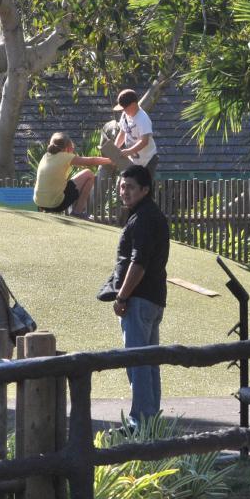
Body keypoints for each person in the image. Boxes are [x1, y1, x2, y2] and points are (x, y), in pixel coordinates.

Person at [108, 164, 170, 427]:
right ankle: (150, 419)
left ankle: (140, 421)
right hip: (154, 298)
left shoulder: (143, 219)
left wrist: (122, 296)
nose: (124, 191)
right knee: (149, 361)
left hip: (140, 298)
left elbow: (139, 263)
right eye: (122, 186)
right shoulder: (150, 215)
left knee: (138, 362)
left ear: (145, 189)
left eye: (130, 187)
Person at [33, 132, 113, 217]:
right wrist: (111, 160)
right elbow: (91, 161)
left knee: (72, 182)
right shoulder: (65, 156)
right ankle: (77, 212)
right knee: (89, 174)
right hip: (56, 205)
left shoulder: (45, 156)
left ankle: (75, 210)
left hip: (39, 203)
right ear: (67, 148)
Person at [113, 88, 159, 174]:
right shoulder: (125, 115)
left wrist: (129, 151)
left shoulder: (143, 119)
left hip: (148, 160)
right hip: (133, 160)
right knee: (126, 183)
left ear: (133, 104)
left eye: (125, 108)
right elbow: (122, 133)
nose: (123, 111)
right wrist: (115, 148)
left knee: (144, 186)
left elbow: (144, 141)